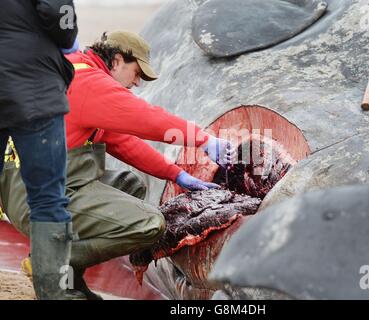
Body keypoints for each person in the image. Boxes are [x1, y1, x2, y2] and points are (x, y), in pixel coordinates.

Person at [0, 31, 236, 300]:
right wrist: (203, 139)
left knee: (128, 185)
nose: (136, 83)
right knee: (148, 225)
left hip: (34, 184)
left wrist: (176, 174)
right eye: (136, 73)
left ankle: (69, 283)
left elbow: (123, 142)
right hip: (34, 195)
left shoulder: (77, 73)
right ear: (116, 61)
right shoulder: (89, 83)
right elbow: (146, 118)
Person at [0, 0, 78, 299]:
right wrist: (68, 37)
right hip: (33, 87)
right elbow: (56, 9)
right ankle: (53, 293)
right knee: (48, 198)